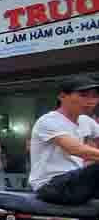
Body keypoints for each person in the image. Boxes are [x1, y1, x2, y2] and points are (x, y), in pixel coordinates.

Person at [29, 76, 99, 205]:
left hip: (76, 182)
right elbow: (76, 149)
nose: (90, 101)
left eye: (94, 96)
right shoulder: (49, 121)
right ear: (62, 96)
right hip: (52, 185)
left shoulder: (86, 121)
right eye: (83, 95)